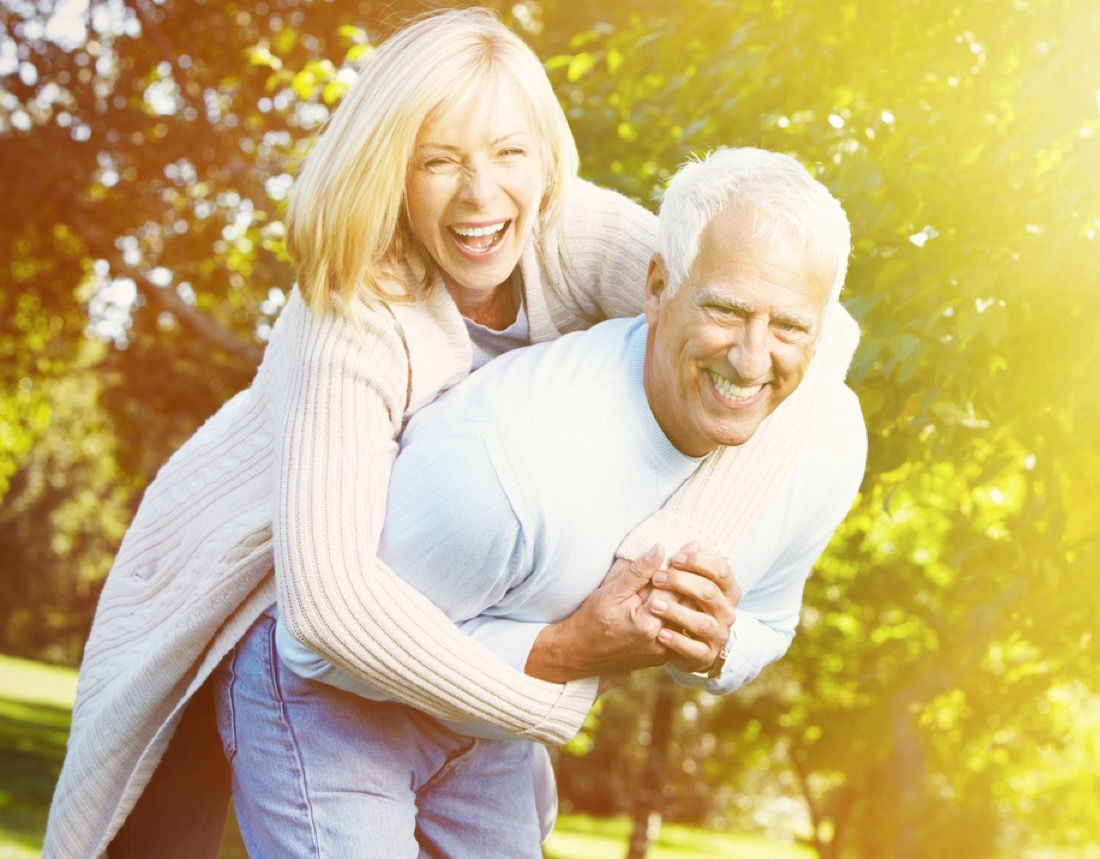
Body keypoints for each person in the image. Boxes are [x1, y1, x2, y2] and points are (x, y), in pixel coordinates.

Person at [43, 9, 860, 859]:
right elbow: (330, 608)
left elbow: (807, 333)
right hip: (251, 585)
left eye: (509, 153)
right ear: (392, 170)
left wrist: (669, 561)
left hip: (453, 609)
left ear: (543, 156)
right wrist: (558, 664)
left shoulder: (567, 232)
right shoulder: (351, 313)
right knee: (148, 839)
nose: (481, 197)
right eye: (439, 161)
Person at [229, 147, 865, 856]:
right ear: (656, 288)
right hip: (335, 703)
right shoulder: (499, 463)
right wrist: (571, 647)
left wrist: (717, 645)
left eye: (789, 327)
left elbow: (769, 619)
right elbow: (325, 641)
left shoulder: (826, 444)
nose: (752, 359)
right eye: (726, 309)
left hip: (492, 723)